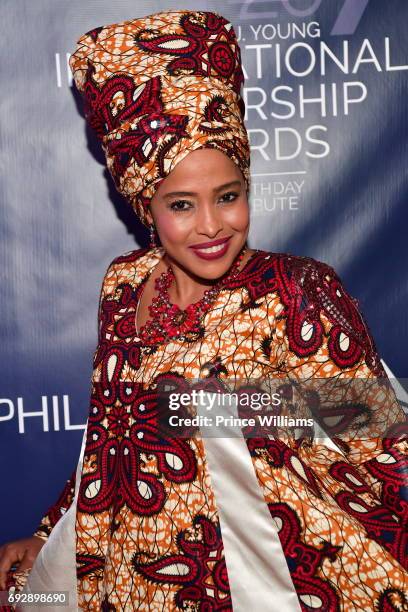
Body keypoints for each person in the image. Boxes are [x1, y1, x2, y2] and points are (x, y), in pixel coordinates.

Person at [0, 9, 407, 611]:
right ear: (144, 201)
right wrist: (45, 533)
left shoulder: (294, 289)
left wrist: (223, 406)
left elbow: (379, 439)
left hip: (256, 578)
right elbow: (111, 442)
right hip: (127, 576)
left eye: (229, 195)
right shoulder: (123, 285)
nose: (213, 226)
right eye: (182, 204)